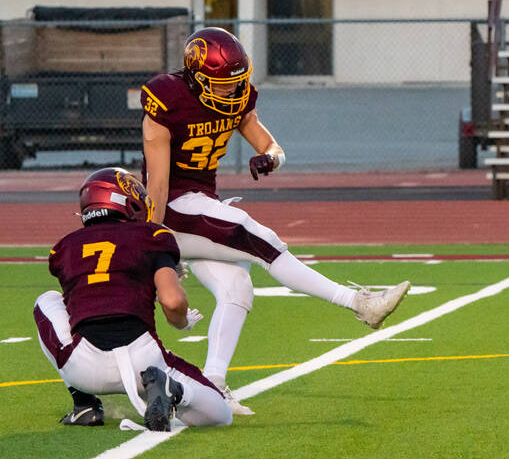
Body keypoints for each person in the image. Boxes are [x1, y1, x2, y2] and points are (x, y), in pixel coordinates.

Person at [141, 26, 410, 414]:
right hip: (175, 209)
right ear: (198, 79)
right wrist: (156, 242)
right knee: (259, 236)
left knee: (237, 289)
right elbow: (159, 184)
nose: (232, 91)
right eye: (223, 84)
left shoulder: (235, 98)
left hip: (202, 204)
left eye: (238, 82)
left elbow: (272, 144)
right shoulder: (167, 100)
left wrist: (271, 158)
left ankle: (212, 386)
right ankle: (359, 303)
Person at [35, 167, 232, 431]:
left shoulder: (64, 247)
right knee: (220, 413)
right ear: (128, 202)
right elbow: (172, 301)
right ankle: (174, 390)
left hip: (84, 369)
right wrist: (182, 320)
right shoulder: (153, 236)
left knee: (47, 301)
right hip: (143, 359)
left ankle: (84, 405)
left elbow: (83, 299)